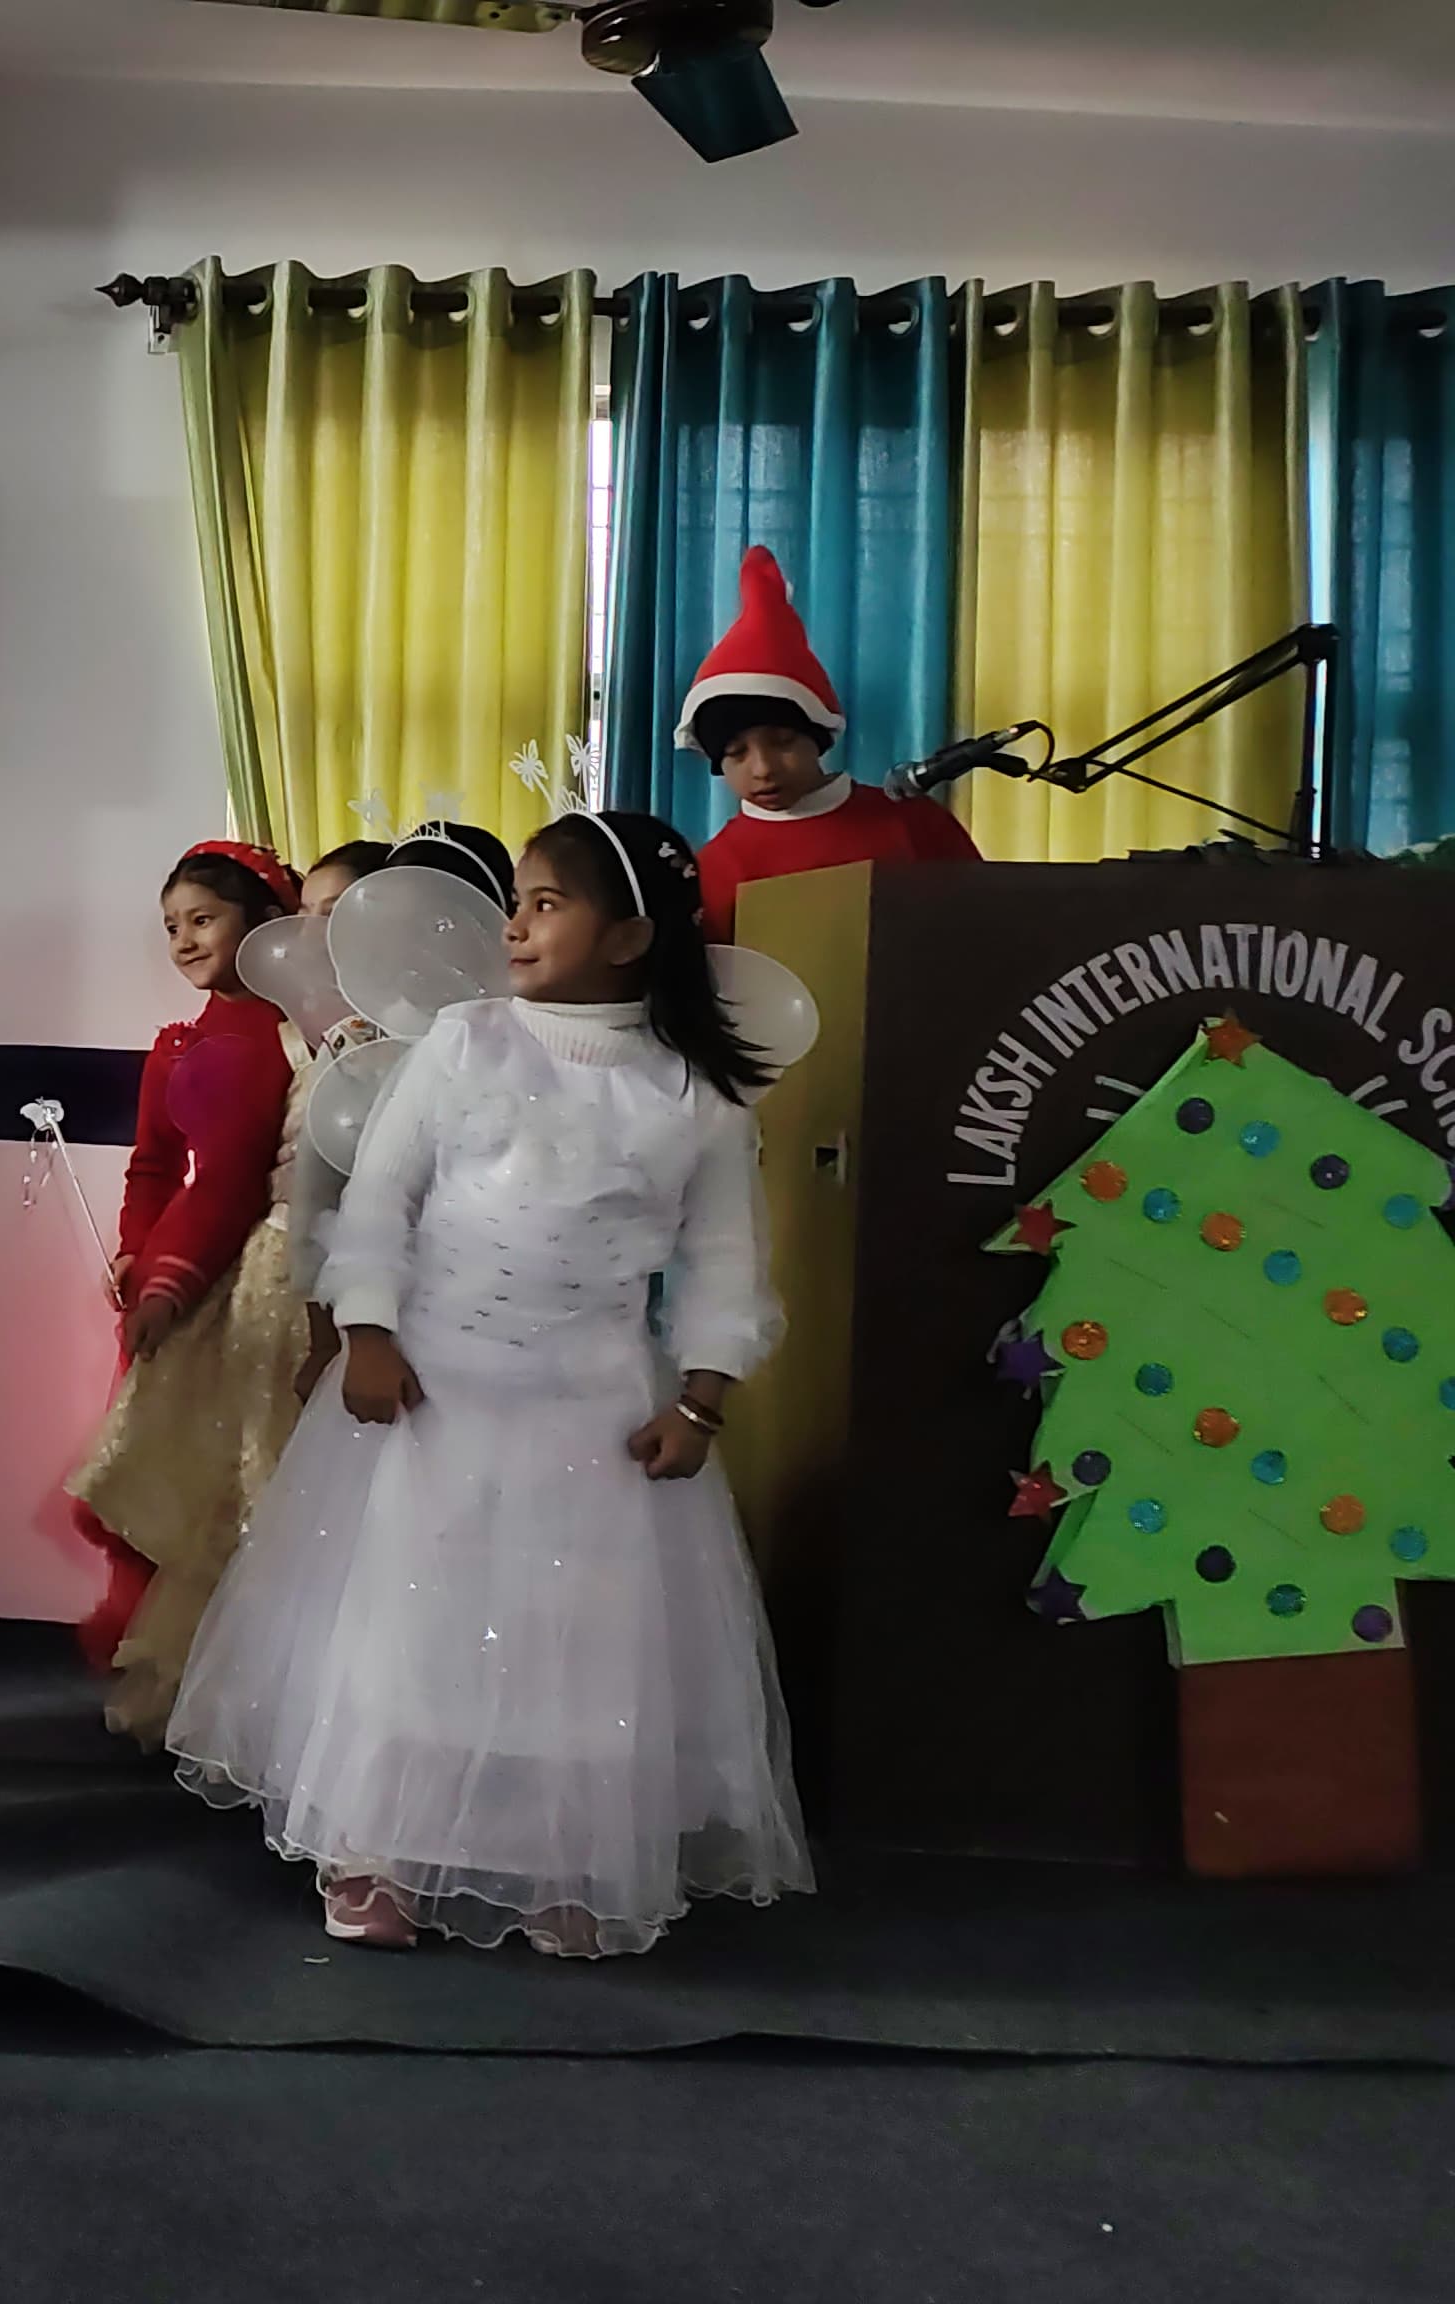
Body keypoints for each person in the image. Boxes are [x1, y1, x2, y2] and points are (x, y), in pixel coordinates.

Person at [171, 807, 812, 1957]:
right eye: (516, 900)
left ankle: (566, 1857)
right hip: (439, 1391)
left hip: (599, 1408)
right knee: (414, 1618)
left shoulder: (692, 1096)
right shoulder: (466, 1042)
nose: (511, 925)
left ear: (628, 936)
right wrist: (368, 1331)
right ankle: (377, 1850)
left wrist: (700, 1397)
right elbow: (382, 1196)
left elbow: (726, 1262)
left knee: (573, 1636)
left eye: (545, 904)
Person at [69, 841, 303, 1746]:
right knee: (170, 1464)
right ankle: (180, 1681)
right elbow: (154, 1165)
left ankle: (244, 1698)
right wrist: (136, 1254)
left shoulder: (290, 1037)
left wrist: (174, 1280)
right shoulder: (180, 1043)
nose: (184, 941)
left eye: (204, 919)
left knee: (229, 1480)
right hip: (175, 1267)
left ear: (265, 922)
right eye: (172, 926)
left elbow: (237, 1182)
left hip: (242, 1274)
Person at [288, 822, 516, 1403]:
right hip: (385, 1323)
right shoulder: (357, 1042)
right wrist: (325, 1338)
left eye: (440, 922)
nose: (415, 942)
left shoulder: (527, 1035)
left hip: (510, 1316)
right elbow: (317, 1196)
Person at [682, 545, 978, 939]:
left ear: (818, 736)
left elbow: (984, 924)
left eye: (783, 742)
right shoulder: (718, 866)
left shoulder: (914, 823)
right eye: (736, 753)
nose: (763, 768)